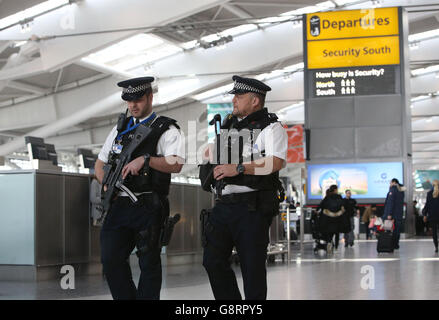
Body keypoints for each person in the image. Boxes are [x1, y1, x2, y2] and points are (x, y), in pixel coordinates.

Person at [94, 76, 185, 300]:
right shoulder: (119, 130)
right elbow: (100, 162)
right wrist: (105, 183)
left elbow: (177, 163)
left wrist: (146, 160)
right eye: (129, 100)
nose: (133, 105)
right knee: (110, 259)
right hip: (119, 203)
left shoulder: (166, 128)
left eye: (138, 99)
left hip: (149, 204)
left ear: (150, 97)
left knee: (149, 263)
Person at [200, 75, 288, 300]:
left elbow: (275, 162)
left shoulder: (271, 127)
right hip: (223, 206)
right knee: (212, 261)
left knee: (252, 269)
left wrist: (238, 168)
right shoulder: (229, 127)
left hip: (252, 208)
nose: (234, 101)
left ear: (255, 101)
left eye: (239, 96)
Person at [318, 185, 348, 251]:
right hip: (337, 218)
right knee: (337, 233)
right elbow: (343, 205)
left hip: (328, 218)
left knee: (329, 232)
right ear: (335, 190)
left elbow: (321, 205)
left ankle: (329, 242)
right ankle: (336, 247)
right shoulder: (339, 197)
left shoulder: (327, 197)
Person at [383, 178, 406, 250]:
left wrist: (389, 214)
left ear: (393, 182)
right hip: (399, 214)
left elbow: (390, 203)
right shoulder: (401, 191)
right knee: (397, 230)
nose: (389, 184)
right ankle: (396, 244)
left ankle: (390, 244)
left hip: (392, 215)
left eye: (390, 183)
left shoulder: (392, 190)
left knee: (389, 230)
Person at [423, 180, 439, 253]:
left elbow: (427, 205)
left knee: (434, 232)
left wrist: (425, 214)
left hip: (432, 216)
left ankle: (436, 247)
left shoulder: (429, 193)